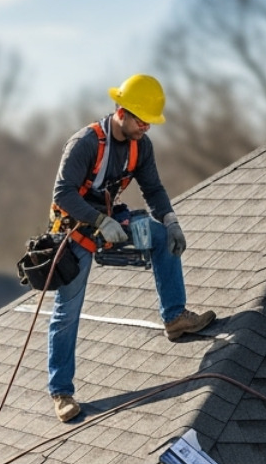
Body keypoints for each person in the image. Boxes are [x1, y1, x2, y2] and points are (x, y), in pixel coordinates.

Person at [46, 75, 215, 423]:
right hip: (75, 229)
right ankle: (61, 391)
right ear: (121, 112)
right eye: (141, 121)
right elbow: (63, 194)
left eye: (150, 122)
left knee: (160, 238)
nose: (146, 128)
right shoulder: (85, 143)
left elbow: (153, 189)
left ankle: (175, 317)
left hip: (110, 222)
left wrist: (170, 220)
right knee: (67, 311)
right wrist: (97, 221)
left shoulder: (141, 146)